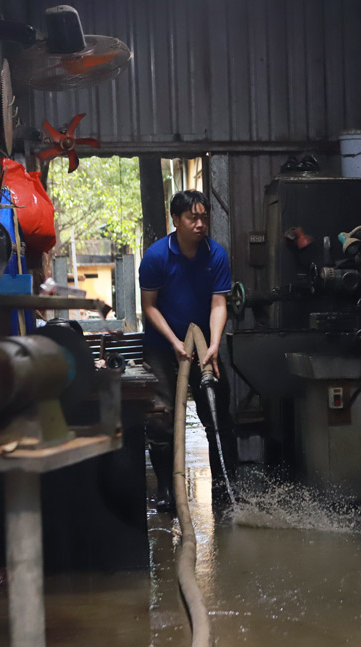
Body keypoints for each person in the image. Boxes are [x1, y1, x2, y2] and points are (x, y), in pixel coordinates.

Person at [139, 189, 237, 512]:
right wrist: (174, 342)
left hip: (203, 346)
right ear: (176, 220)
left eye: (204, 217)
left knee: (217, 412)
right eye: (193, 218)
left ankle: (225, 491)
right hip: (161, 346)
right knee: (161, 416)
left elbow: (219, 303)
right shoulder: (156, 257)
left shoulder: (216, 255)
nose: (200, 224)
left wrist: (213, 345)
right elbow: (149, 307)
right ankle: (167, 491)